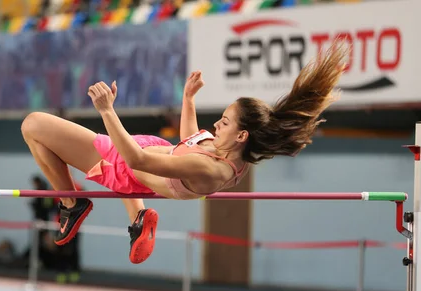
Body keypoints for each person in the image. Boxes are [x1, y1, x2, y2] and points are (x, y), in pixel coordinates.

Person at [21, 42, 348, 264]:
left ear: (243, 135)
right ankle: (137, 217)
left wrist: (107, 110)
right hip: (147, 156)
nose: (217, 125)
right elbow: (188, 141)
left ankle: (71, 202)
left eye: (224, 121)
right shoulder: (230, 153)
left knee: (33, 125)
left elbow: (136, 161)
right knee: (51, 135)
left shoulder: (212, 171)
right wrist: (188, 99)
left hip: (124, 164)